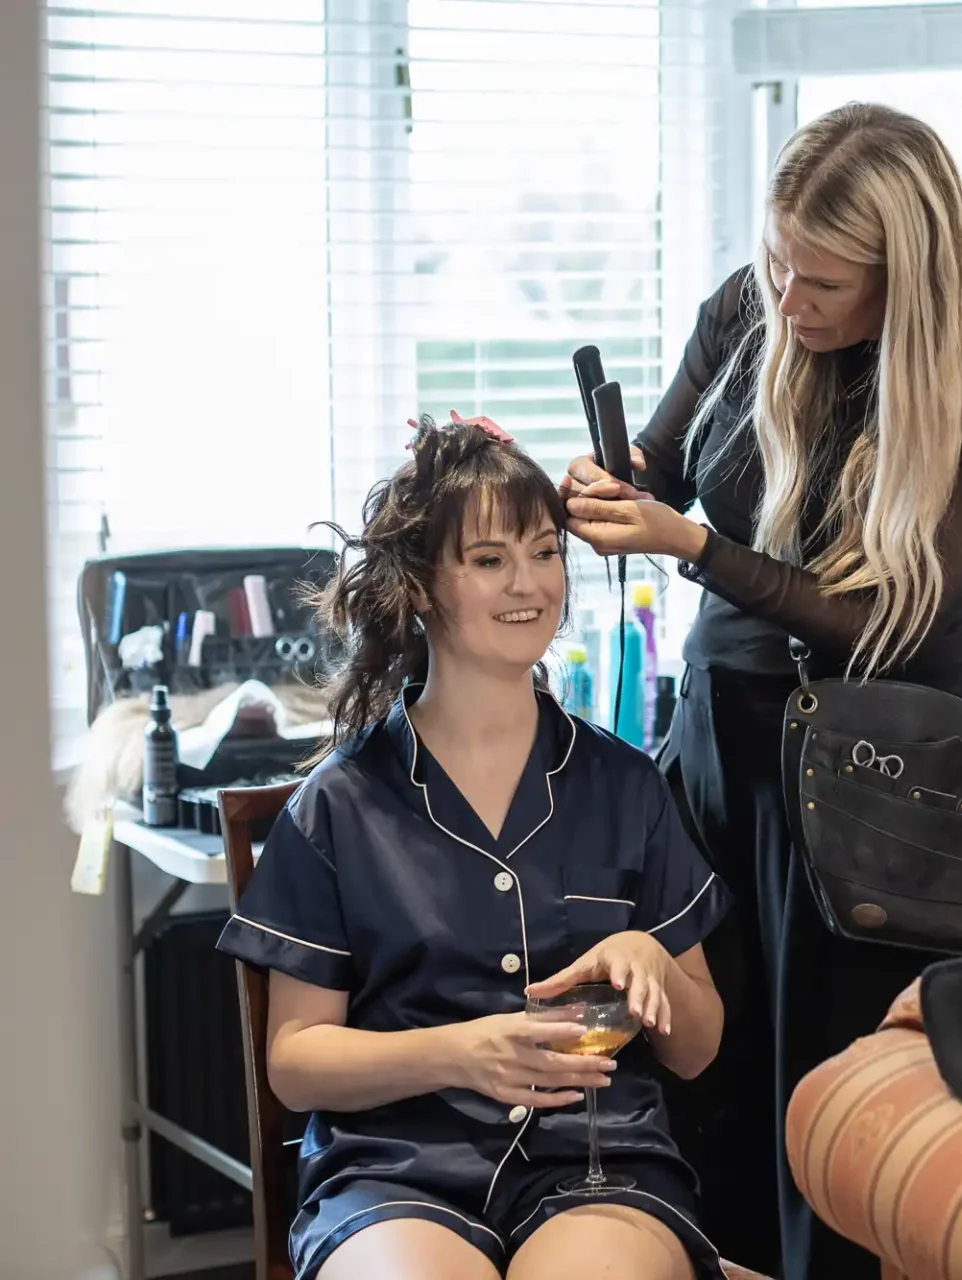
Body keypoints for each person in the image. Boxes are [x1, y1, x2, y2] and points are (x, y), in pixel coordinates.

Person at [560, 103, 962, 1278]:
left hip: (868, 780)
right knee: (695, 1063)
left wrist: (693, 547)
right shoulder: (743, 307)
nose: (789, 297)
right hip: (716, 749)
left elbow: (895, 619)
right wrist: (613, 481)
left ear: (908, 274)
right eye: (780, 260)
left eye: (824, 280)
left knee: (835, 1091)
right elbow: (666, 467)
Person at [216, 415, 731, 1280]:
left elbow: (698, 1046)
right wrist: (461, 1052)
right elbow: (297, 1063)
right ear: (421, 586)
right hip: (393, 1173)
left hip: (596, 1168)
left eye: (544, 553)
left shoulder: (627, 784)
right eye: (489, 560)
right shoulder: (340, 803)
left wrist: (654, 962)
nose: (528, 583)